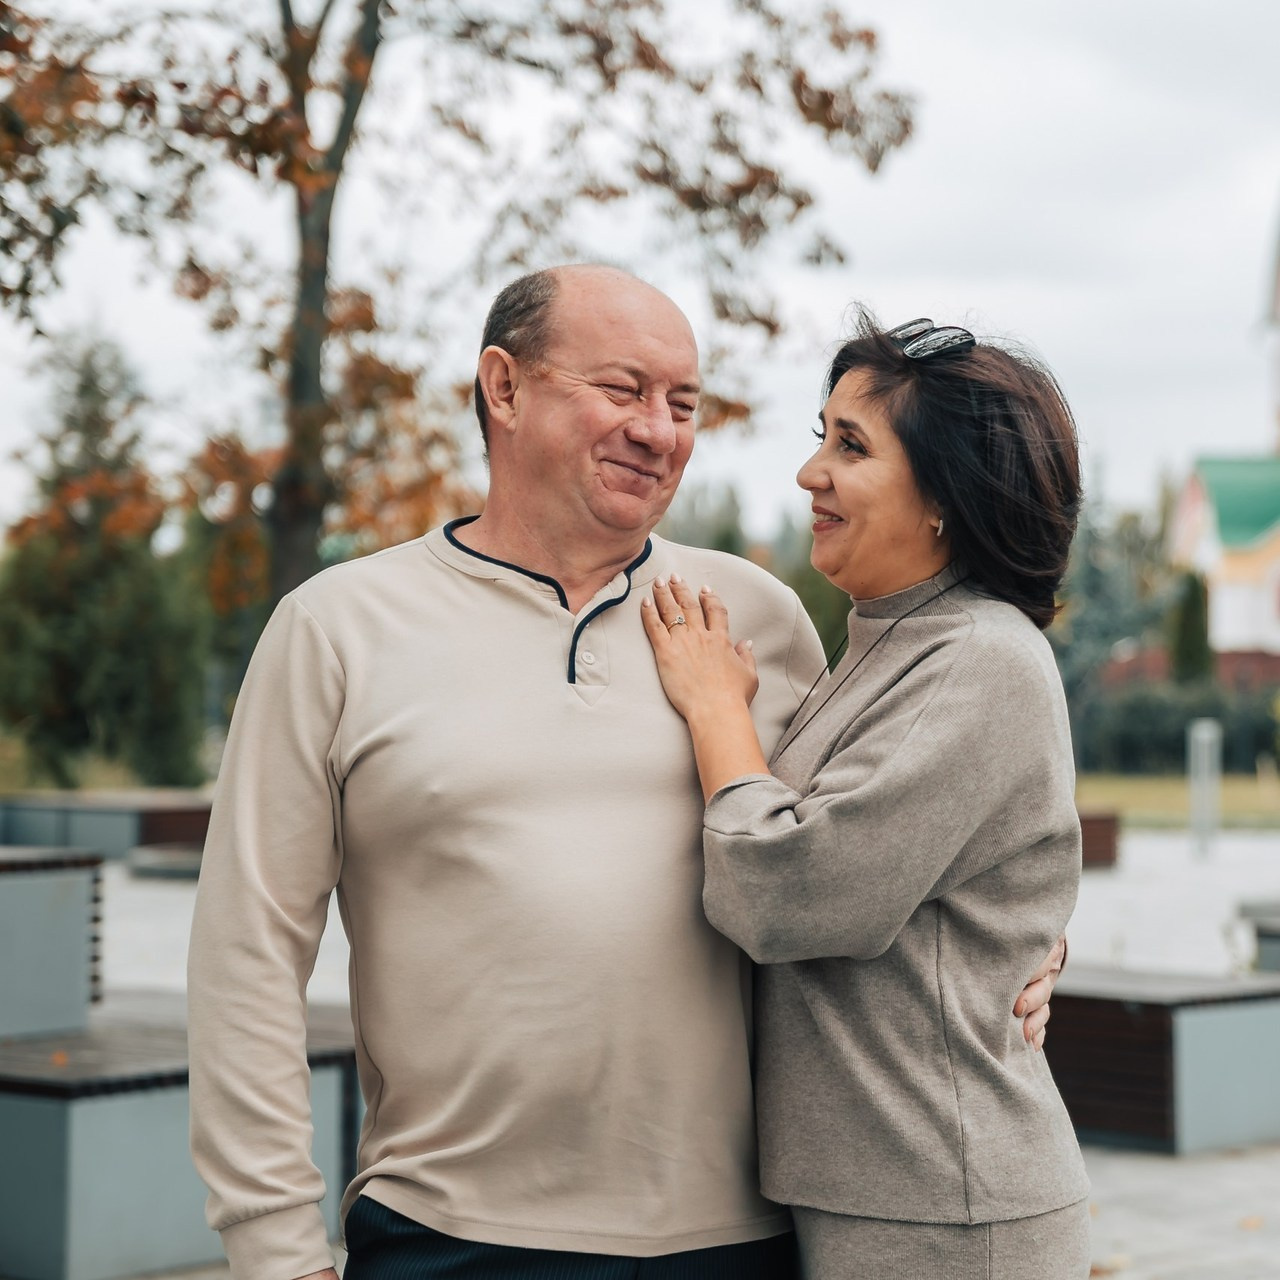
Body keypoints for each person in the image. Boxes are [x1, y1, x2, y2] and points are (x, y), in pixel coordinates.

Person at [187, 271, 1061, 1280]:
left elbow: (881, 843)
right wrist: (273, 1246)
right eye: (622, 388)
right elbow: (245, 956)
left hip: (744, 1239)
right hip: (450, 1235)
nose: (659, 430)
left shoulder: (759, 615)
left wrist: (1026, 943)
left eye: (682, 403)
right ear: (502, 387)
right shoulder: (335, 629)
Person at [642, 312, 1091, 1279]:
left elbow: (790, 897)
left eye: (851, 446)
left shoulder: (979, 657)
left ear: (945, 499)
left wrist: (719, 712)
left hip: (939, 1209)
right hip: (874, 1190)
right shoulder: (888, 640)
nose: (811, 474)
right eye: (821, 436)